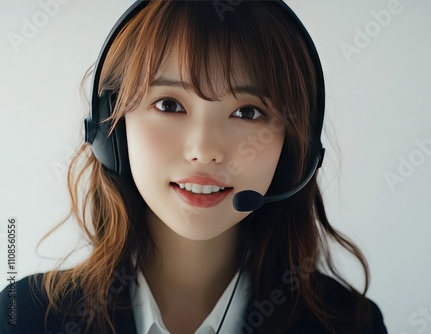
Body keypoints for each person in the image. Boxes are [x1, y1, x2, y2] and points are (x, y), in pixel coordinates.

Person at [0, 1, 388, 333]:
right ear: (110, 129)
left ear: (293, 152)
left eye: (247, 112)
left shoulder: (349, 325)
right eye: (169, 105)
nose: (204, 150)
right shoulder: (26, 318)